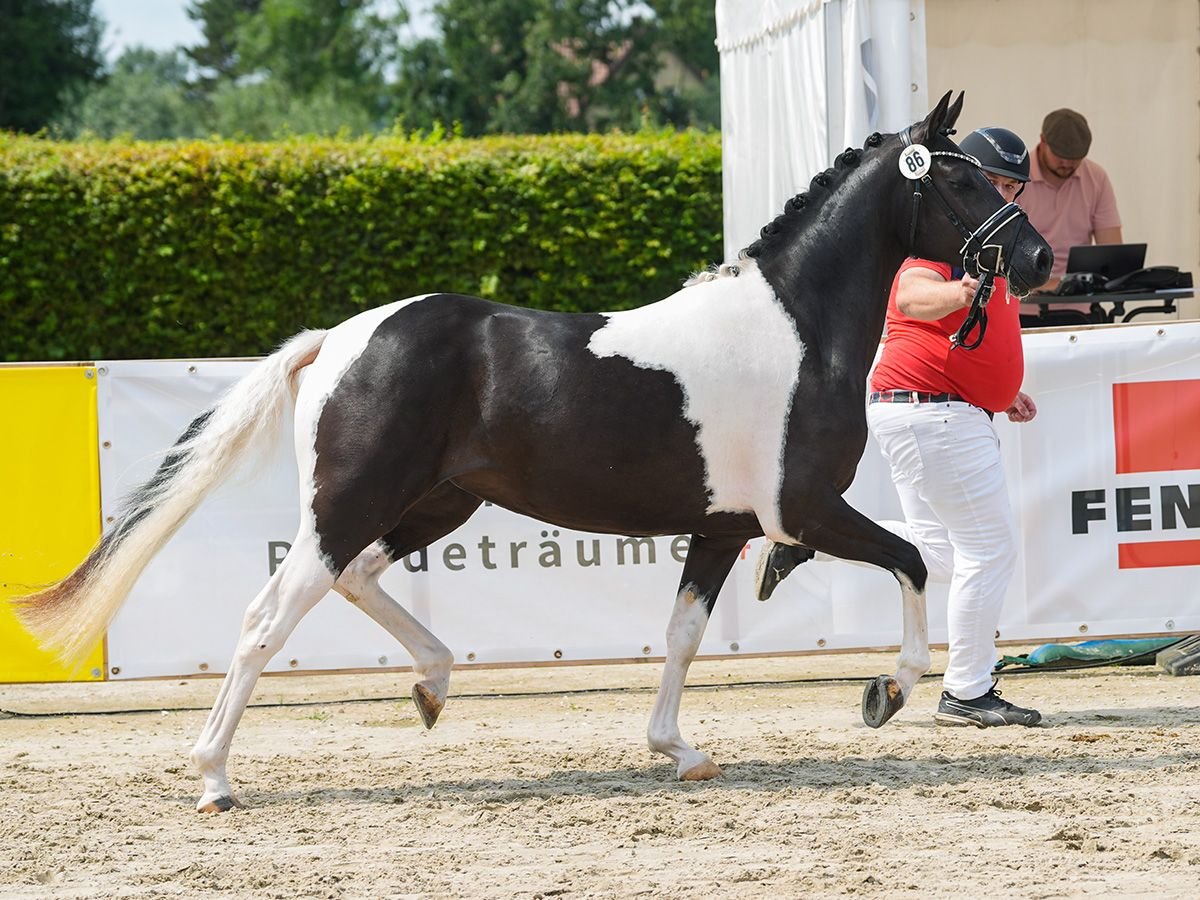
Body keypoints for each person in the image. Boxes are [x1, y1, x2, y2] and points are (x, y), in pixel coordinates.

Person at [757, 126, 1042, 728]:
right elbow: (913, 298)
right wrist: (961, 291)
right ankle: (968, 689)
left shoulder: (980, 243)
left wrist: (1001, 389)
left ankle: (809, 539)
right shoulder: (948, 241)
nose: (1004, 196)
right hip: (934, 413)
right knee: (989, 552)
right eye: (993, 182)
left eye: (1013, 186)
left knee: (939, 548)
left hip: (931, 409)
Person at [1020, 108, 1122, 291]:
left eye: (1075, 158)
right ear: (1042, 141)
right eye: (1060, 155)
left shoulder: (1096, 178)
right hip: (1024, 307)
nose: (1067, 163)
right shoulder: (1015, 178)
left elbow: (1112, 255)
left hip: (1081, 305)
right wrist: (1056, 286)